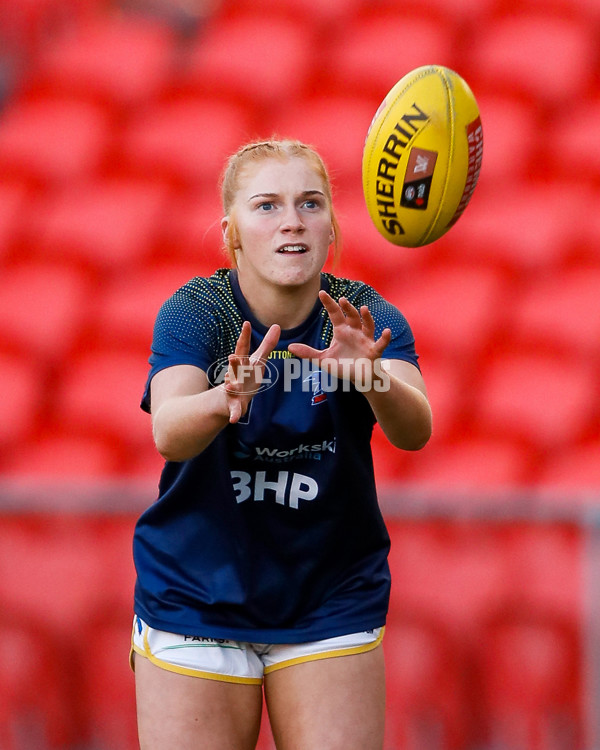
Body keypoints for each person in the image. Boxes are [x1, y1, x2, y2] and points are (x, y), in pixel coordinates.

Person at [131, 138, 432, 750]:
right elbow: (168, 432)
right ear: (232, 231)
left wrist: (370, 377)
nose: (291, 219)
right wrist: (222, 399)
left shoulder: (363, 316)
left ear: (330, 229)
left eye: (310, 203)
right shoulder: (198, 312)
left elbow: (415, 429)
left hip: (330, 591)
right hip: (198, 591)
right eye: (266, 205)